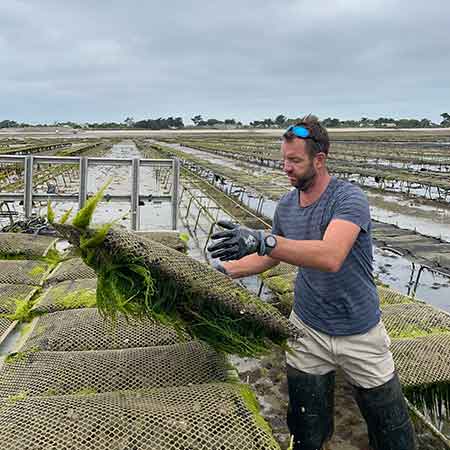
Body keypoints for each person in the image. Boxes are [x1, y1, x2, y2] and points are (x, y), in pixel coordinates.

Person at [207, 115, 416, 450]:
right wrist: (226, 271)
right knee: (307, 427)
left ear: (319, 160)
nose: (285, 167)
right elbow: (272, 255)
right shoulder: (288, 204)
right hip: (307, 328)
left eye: (294, 160)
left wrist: (264, 240)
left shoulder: (348, 199)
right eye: (283, 159)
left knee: (392, 430)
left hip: (358, 330)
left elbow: (331, 255)